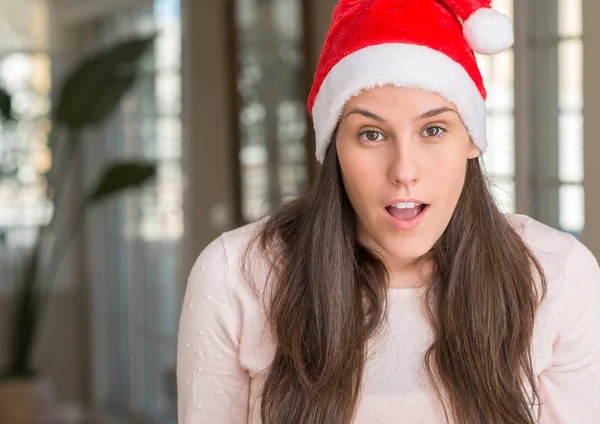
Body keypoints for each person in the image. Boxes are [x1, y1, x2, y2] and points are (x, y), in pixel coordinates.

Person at [177, 0, 600, 423]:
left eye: (433, 130)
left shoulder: (557, 276)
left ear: (472, 138)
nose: (404, 172)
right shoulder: (236, 276)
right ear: (334, 146)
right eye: (372, 134)